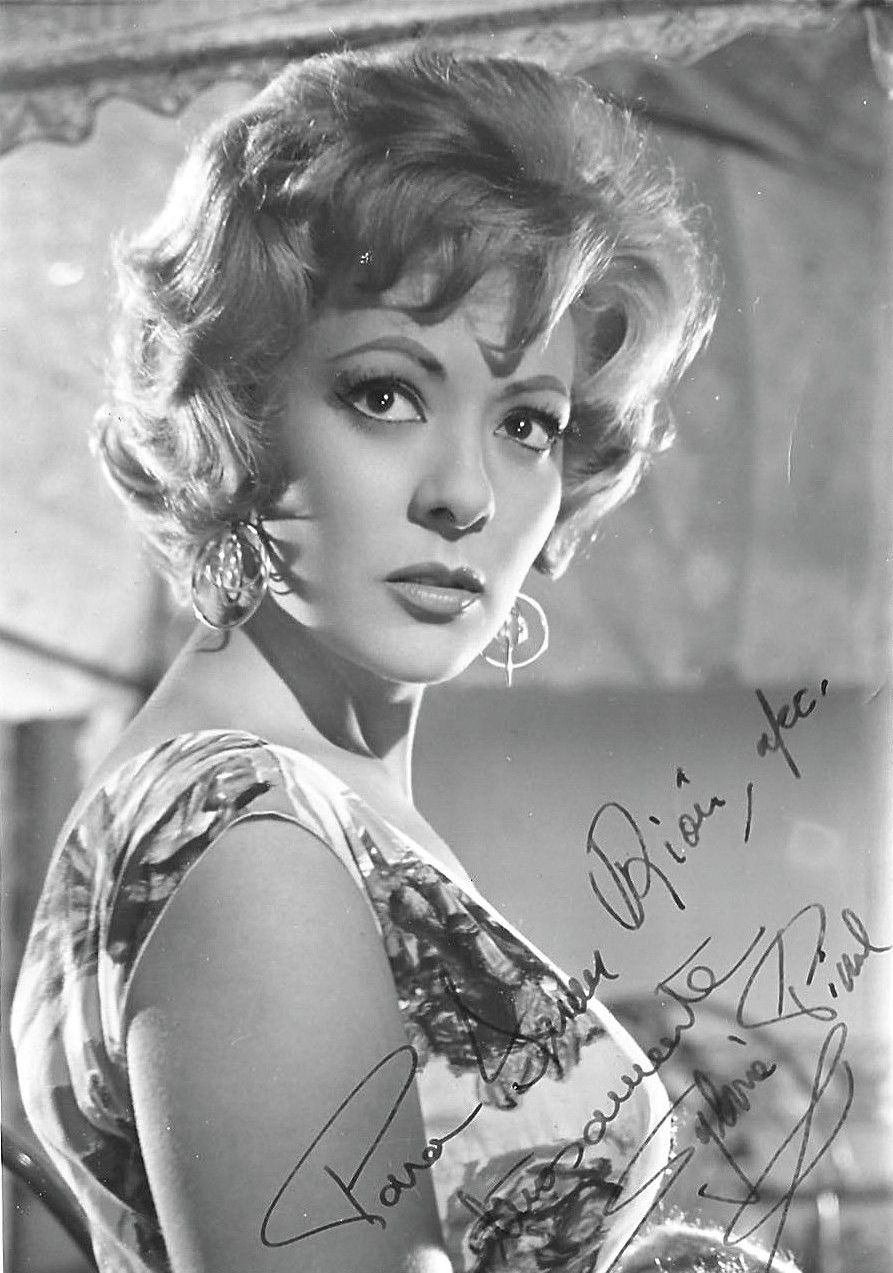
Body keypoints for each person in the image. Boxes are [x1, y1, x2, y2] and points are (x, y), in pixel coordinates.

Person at [11, 47, 788, 1273]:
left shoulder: (304, 801)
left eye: (525, 421)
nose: (464, 493)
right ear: (235, 418)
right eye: (383, 394)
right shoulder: (248, 836)